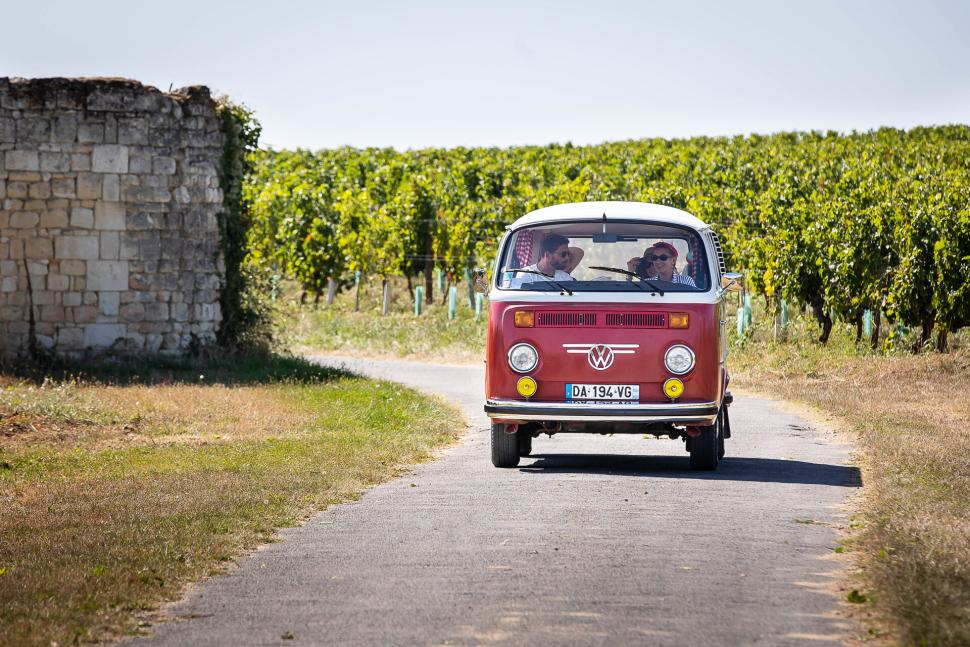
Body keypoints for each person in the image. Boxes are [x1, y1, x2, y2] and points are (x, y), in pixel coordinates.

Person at [512, 233, 582, 286]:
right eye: (563, 254)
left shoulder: (566, 278)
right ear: (548, 255)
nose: (567, 258)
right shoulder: (524, 276)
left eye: (568, 254)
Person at [626, 241, 697, 287]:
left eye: (663, 257)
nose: (658, 261)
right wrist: (630, 274)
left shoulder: (686, 281)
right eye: (654, 258)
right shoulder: (647, 283)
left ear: (673, 260)